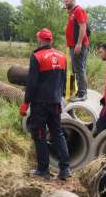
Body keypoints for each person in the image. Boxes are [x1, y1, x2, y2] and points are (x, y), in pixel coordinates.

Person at [19, 28, 71, 181]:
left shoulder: (37, 57)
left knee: (39, 134)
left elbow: (32, 83)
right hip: (56, 102)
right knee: (57, 133)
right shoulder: (62, 57)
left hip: (40, 104)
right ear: (51, 40)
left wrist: (25, 103)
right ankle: (65, 169)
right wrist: (60, 97)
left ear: (40, 40)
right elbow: (64, 80)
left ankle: (43, 170)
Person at [64, 0, 90, 102]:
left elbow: (83, 26)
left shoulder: (79, 10)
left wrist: (79, 44)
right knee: (76, 69)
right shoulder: (72, 12)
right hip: (73, 45)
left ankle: (82, 94)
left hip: (78, 45)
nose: (64, 4)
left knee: (79, 68)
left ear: (72, 1)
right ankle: (79, 91)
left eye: (65, 2)